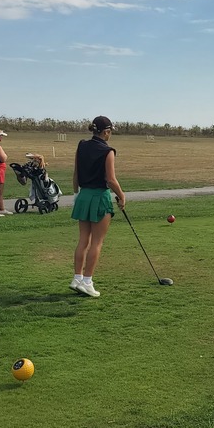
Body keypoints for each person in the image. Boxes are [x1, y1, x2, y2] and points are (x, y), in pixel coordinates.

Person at [70, 116, 126, 298]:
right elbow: (110, 180)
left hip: (83, 195)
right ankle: (87, 282)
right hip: (99, 196)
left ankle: (77, 279)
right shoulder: (108, 151)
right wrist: (122, 196)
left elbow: (76, 174)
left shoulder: (82, 145)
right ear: (106, 132)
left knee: (83, 240)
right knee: (97, 242)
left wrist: (77, 194)